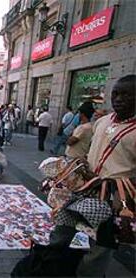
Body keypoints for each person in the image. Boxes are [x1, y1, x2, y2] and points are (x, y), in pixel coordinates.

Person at [50, 74, 136, 276]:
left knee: (98, 247)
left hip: (112, 198)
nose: (119, 99)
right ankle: (53, 264)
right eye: (115, 94)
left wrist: (120, 186)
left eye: (127, 95)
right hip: (84, 188)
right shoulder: (102, 121)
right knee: (62, 228)